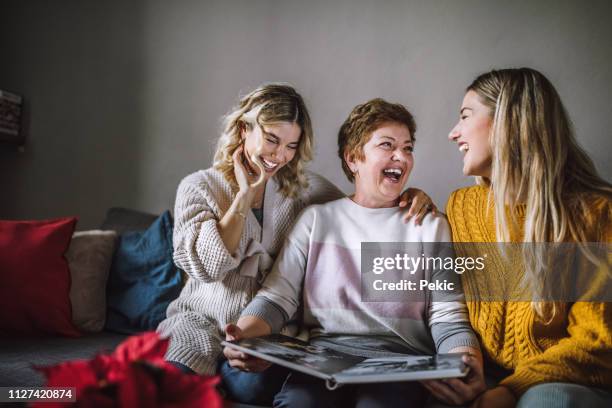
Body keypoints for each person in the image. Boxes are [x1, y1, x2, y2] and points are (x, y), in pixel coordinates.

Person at [156, 84, 435, 405]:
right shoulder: (198, 187)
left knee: (254, 388)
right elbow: (206, 267)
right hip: (200, 326)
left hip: (266, 334)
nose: (280, 156)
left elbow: (361, 210)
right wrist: (244, 197)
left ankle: (226, 384)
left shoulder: (305, 190)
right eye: (272, 140)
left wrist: (409, 197)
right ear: (244, 129)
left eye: (291, 145)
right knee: (171, 385)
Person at [224, 98, 482, 408]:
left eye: (408, 148)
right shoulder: (316, 220)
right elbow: (277, 298)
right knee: (300, 403)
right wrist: (243, 338)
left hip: (399, 367)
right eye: (387, 145)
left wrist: (465, 361)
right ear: (353, 159)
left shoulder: (430, 226)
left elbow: (448, 317)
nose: (401, 156)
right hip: (322, 362)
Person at [426, 67, 612, 408]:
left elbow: (598, 340)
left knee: (549, 401)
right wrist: (466, 369)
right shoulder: (461, 207)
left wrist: (511, 390)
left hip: (565, 379)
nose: (454, 133)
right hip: (489, 376)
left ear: (508, 122)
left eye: (465, 116)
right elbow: (447, 305)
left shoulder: (597, 214)